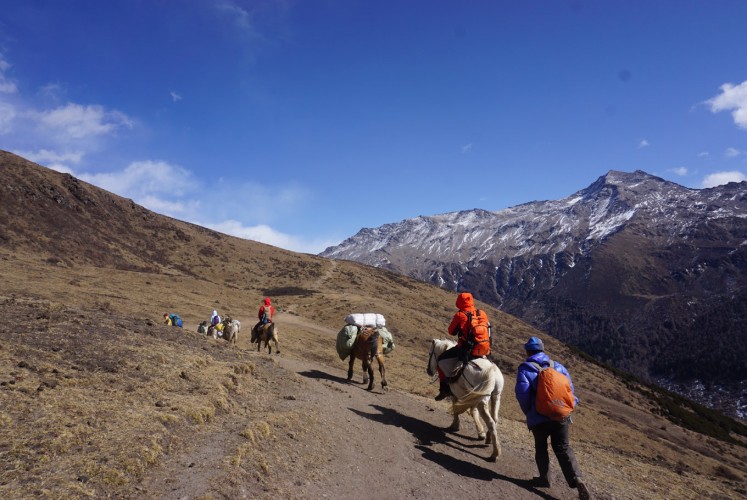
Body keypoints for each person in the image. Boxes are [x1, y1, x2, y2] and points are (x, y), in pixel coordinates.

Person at [515, 336, 591, 500]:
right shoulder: (558, 366)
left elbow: (522, 394)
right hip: (560, 415)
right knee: (562, 447)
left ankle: (544, 478)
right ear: (542, 350)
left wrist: (529, 412)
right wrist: (568, 408)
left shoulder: (526, 368)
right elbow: (570, 389)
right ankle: (576, 478)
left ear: (528, 351)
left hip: (539, 417)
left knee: (541, 446)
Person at [434, 292, 490, 401]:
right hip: (483, 349)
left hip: (465, 349)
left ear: (459, 302)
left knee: (440, 361)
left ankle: (444, 390)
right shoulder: (481, 313)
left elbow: (451, 332)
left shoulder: (460, 315)